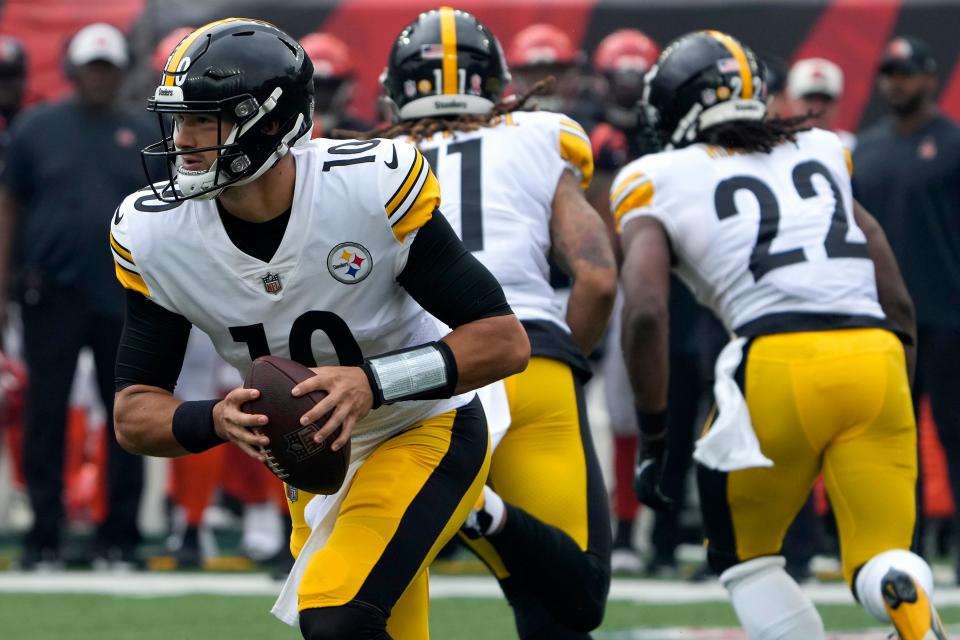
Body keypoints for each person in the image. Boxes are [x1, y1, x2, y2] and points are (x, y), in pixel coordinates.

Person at [110, 17, 529, 640]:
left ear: (275, 122)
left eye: (207, 118)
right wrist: (214, 419)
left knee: (335, 616)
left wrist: (373, 382)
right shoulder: (155, 234)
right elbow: (133, 413)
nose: (186, 139)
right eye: (180, 119)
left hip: (423, 427)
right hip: (311, 459)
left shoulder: (367, 188)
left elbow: (502, 340)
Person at [614, 29, 946, 640]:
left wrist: (657, 432)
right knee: (880, 554)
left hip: (775, 361)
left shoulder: (656, 175)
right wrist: (893, 375)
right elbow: (893, 289)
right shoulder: (819, 147)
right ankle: (906, 600)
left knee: (746, 558)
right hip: (874, 353)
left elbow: (644, 312)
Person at [361, 8, 616, 639]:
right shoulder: (537, 134)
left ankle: (468, 508)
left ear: (396, 87)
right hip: (528, 356)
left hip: (420, 373)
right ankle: (485, 515)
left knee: (383, 593)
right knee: (566, 599)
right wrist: (557, 355)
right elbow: (598, 275)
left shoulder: (365, 158)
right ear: (496, 81)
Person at [0, 23, 153, 569]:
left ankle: (122, 536)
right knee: (45, 414)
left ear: (119, 72)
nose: (98, 77)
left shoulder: (143, 131)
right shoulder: (37, 128)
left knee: (129, 415)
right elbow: (9, 210)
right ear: (73, 69)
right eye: (91, 67)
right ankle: (45, 535)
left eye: (107, 68)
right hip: (52, 294)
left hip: (125, 296)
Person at [853, 36, 960, 582]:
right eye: (889, 71)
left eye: (907, 72)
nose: (896, 81)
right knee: (892, 441)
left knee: (955, 433)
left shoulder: (954, 144)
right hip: (879, 322)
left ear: (930, 77)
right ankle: (905, 552)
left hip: (948, 315)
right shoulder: (865, 150)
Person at [299, 32, 370, 137]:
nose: (320, 95)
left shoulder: (364, 136)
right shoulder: (279, 132)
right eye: (313, 84)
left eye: (329, 86)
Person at [786, 57, 856, 149]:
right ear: (791, 100)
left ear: (837, 105)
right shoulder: (776, 146)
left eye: (825, 100)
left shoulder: (852, 147)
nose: (817, 108)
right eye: (809, 98)